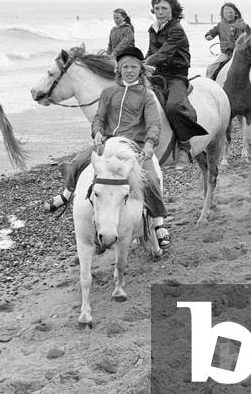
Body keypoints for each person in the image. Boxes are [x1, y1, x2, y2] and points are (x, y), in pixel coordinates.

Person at [43, 46, 171, 249]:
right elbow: (99, 118)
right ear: (118, 70)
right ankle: (67, 194)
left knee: (152, 178)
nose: (129, 70)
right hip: (110, 142)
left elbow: (154, 124)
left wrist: (149, 143)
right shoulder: (109, 92)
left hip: (134, 146)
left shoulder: (146, 95)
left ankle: (158, 223)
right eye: (125, 67)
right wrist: (98, 133)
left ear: (140, 70)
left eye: (134, 67)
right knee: (77, 162)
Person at [145, 0, 209, 154]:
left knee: (173, 107)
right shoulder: (153, 29)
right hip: (157, 75)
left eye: (164, 8)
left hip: (176, 76)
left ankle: (184, 145)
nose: (160, 12)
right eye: (157, 8)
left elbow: (164, 53)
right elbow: (151, 53)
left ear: (172, 10)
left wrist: (145, 63)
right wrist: (140, 64)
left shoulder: (177, 29)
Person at [205, 2, 251, 103]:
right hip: (226, 53)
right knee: (211, 68)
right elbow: (212, 32)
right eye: (226, 12)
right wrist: (209, 35)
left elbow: (250, 34)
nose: (229, 14)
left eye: (231, 12)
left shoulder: (243, 24)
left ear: (236, 13)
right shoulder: (220, 25)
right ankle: (210, 92)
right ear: (223, 14)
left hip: (242, 54)